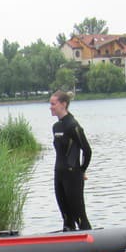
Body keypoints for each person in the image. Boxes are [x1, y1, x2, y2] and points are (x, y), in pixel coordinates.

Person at [49, 89, 92, 231]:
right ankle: (69, 238)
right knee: (66, 216)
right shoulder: (56, 127)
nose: (51, 107)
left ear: (63, 104)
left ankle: (89, 242)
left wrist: (81, 171)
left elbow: (87, 150)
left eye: (53, 104)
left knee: (79, 214)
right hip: (59, 174)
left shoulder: (73, 125)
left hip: (73, 175)